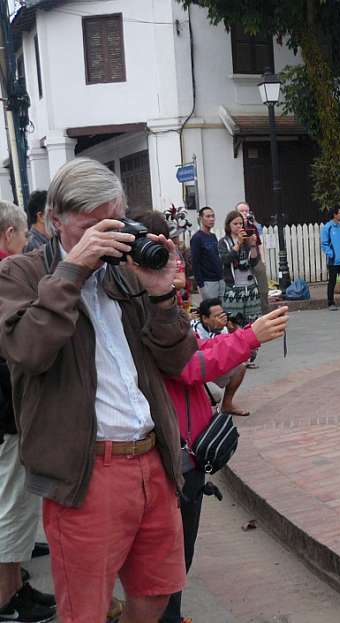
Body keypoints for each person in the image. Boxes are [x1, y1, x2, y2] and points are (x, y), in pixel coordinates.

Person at [0, 157, 198, 622]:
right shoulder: (20, 276)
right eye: (91, 227)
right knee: (85, 610)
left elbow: (177, 359)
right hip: (88, 472)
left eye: (113, 223)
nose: (105, 237)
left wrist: (161, 294)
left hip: (153, 460)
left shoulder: (125, 275)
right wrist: (72, 270)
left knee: (155, 595)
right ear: (54, 221)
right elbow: (28, 348)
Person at [160, 305, 288, 623]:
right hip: (169, 456)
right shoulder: (140, 314)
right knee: (166, 556)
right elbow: (189, 365)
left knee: (180, 552)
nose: (172, 272)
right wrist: (247, 338)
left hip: (189, 456)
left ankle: (170, 615)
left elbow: (198, 349)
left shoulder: (162, 311)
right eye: (163, 263)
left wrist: (246, 337)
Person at [0, 200, 57, 623]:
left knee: (14, 506)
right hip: (6, 414)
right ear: (8, 235)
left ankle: (15, 585)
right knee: (12, 506)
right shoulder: (7, 277)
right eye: (21, 235)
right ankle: (6, 600)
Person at [191, 298, 252, 417]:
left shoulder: (223, 328)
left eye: (223, 314)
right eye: (217, 316)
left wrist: (234, 331)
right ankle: (202, 411)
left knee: (240, 367)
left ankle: (227, 404)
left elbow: (227, 353)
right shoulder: (193, 329)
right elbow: (203, 353)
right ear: (205, 318)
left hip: (211, 368)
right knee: (215, 395)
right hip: (196, 373)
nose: (222, 318)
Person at [135, 211, 190, 312]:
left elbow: (181, 281)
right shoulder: (128, 261)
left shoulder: (168, 257)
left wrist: (162, 286)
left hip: (167, 306)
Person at [219, 210, 262, 327]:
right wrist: (238, 244)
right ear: (228, 225)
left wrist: (253, 246)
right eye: (235, 224)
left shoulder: (247, 241)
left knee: (253, 323)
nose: (239, 226)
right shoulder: (224, 242)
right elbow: (225, 260)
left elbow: (254, 262)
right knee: (234, 323)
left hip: (250, 287)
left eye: (241, 224)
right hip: (234, 288)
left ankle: (253, 345)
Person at [236, 202, 270, 312]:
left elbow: (259, 244)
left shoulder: (253, 226)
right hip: (242, 262)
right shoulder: (235, 227)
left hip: (256, 258)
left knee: (263, 289)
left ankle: (265, 312)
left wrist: (262, 260)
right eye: (242, 211)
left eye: (247, 211)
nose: (245, 213)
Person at [190, 206, 224, 300]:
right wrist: (201, 285)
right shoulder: (197, 238)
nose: (211, 219)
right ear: (201, 218)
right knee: (212, 310)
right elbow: (195, 263)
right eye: (208, 216)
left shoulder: (213, 236)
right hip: (208, 282)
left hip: (220, 279)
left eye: (213, 216)